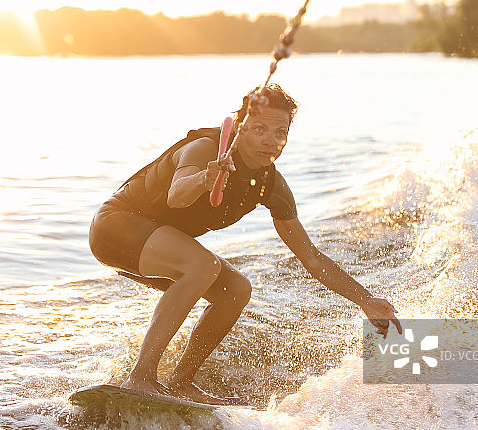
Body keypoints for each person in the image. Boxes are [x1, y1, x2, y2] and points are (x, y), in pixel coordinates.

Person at [89, 84, 401, 405]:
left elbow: (311, 257)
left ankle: (181, 382)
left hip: (158, 246)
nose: (271, 141)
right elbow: (176, 195)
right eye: (260, 129)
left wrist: (365, 300)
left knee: (236, 290)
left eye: (281, 133)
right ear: (240, 128)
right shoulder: (205, 150)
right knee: (203, 267)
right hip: (115, 227)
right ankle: (141, 377)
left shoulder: (271, 184)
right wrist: (203, 180)